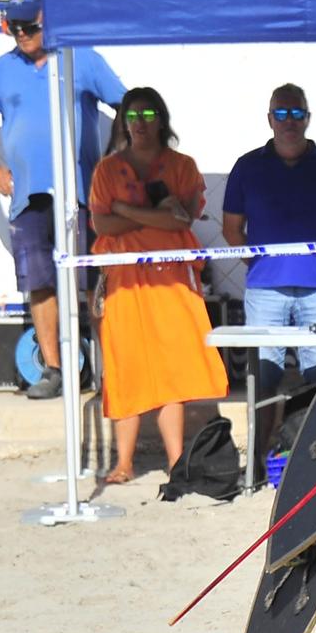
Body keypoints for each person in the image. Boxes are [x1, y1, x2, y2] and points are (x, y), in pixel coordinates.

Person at [0, 0, 125, 398]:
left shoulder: (81, 58)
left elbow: (126, 103)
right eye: (13, 27)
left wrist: (110, 161)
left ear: (47, 22)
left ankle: (111, 373)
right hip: (29, 198)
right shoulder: (2, 70)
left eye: (29, 26)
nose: (21, 34)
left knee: (94, 283)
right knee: (40, 282)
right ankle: (53, 369)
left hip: (83, 195)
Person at [86, 87, 228, 485]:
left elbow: (181, 221)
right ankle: (123, 464)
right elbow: (102, 225)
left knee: (173, 369)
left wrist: (127, 210)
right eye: (132, 115)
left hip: (171, 278)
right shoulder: (107, 170)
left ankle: (176, 462)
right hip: (125, 283)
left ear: (161, 119)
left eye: (148, 114)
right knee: (124, 366)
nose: (140, 122)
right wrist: (154, 216)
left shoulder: (181, 166)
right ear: (123, 122)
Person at [220, 84, 316, 446]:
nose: (289, 121)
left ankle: (314, 457)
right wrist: (260, 262)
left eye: (296, 113)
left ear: (308, 118)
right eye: (281, 113)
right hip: (264, 290)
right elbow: (231, 228)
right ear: (269, 119)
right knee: (263, 378)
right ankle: (259, 461)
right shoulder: (247, 167)